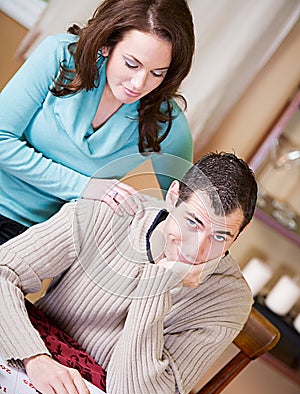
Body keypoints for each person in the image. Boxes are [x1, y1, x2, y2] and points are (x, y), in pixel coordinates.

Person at [0, 152, 257, 394]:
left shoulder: (230, 299)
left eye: (220, 236)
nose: (197, 250)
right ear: (173, 197)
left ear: (240, 233)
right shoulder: (108, 211)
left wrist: (158, 286)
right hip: (30, 364)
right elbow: (3, 270)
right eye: (193, 223)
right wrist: (36, 360)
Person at [0, 0, 195, 244]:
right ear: (106, 45)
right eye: (131, 64)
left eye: (158, 73)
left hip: (32, 238)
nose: (139, 84)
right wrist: (85, 187)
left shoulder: (169, 125)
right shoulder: (60, 55)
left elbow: (183, 209)